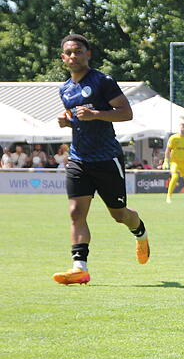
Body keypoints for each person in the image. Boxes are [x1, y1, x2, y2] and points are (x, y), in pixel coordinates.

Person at [52, 34, 149, 285]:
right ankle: (79, 268)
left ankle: (140, 232)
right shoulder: (65, 89)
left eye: (78, 51)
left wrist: (95, 113)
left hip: (107, 158)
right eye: (69, 53)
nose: (73, 56)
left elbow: (126, 113)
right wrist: (67, 122)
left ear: (88, 54)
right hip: (78, 159)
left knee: (119, 215)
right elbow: (76, 120)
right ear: (63, 58)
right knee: (76, 212)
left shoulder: (103, 81)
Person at [163, 122, 184, 204]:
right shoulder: (173, 138)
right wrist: (166, 161)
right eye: (182, 127)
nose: (183, 128)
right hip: (175, 161)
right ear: (179, 128)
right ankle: (168, 197)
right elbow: (168, 150)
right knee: (175, 177)